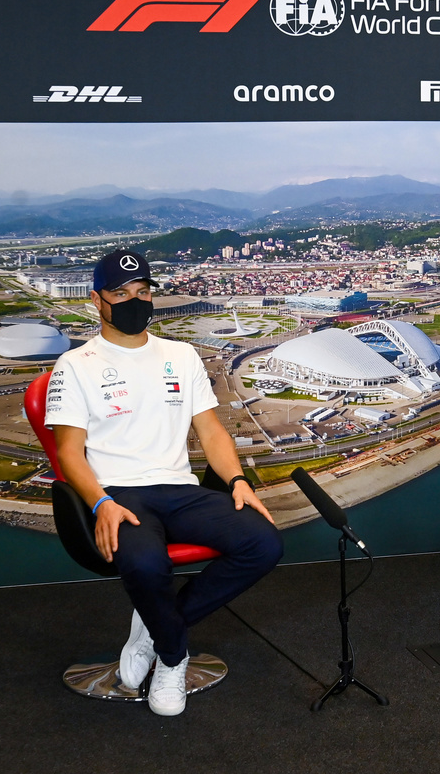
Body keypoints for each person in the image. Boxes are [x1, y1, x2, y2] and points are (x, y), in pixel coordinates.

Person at [45, 249, 283, 716]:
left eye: (142, 292)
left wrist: (237, 480)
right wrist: (100, 504)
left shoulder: (181, 355)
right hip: (119, 494)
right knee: (146, 564)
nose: (134, 302)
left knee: (264, 544)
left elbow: (211, 431)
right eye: (120, 293)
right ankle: (173, 657)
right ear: (96, 300)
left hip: (180, 489)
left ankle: (153, 634)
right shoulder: (75, 365)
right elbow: (69, 454)